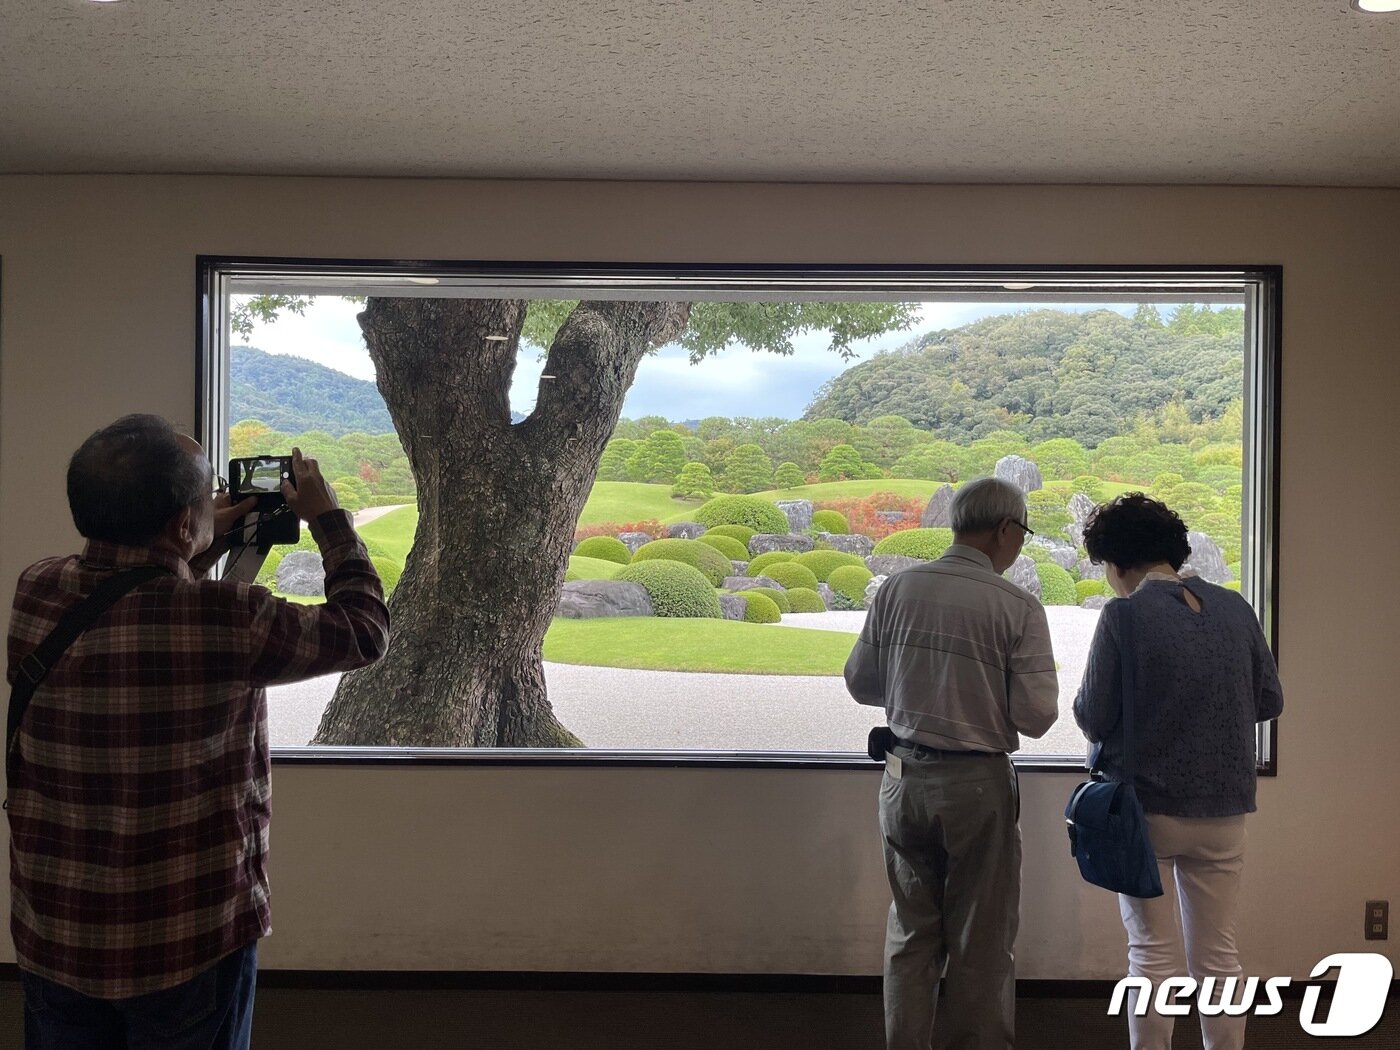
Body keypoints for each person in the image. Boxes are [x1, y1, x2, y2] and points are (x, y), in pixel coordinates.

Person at [6, 414, 391, 1049]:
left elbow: (139, 604)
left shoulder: (37, 588)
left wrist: (191, 543)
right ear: (184, 521)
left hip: (57, 928)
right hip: (186, 937)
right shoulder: (229, 618)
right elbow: (364, 630)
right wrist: (329, 520)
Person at [845, 476, 1059, 1050]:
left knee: (912, 930)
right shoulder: (1016, 605)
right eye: (1022, 534)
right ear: (1005, 530)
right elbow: (1037, 715)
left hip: (902, 779)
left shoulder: (897, 588)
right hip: (976, 785)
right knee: (981, 938)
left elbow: (861, 683)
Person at [1072, 493, 1283, 1050]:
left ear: (1117, 564)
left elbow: (1094, 717)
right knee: (1219, 953)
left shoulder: (1123, 614)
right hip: (1225, 811)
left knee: (1151, 954)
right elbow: (1269, 700)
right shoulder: (1236, 608)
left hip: (1147, 812)